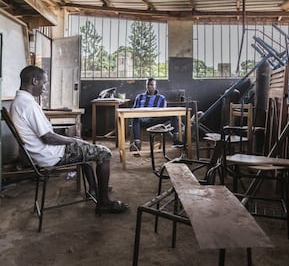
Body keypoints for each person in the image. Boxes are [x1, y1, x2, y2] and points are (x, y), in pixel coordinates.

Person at [10, 65, 128, 214]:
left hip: (40, 153)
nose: (45, 88)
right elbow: (48, 137)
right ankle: (104, 202)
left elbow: (45, 134)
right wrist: (73, 141)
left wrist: (73, 139)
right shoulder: (28, 105)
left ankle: (93, 189)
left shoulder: (18, 102)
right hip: (51, 155)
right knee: (104, 153)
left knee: (84, 149)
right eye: (44, 83)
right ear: (34, 81)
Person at [130, 78, 183, 151]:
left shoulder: (161, 98)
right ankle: (137, 144)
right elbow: (134, 110)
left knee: (173, 115)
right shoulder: (139, 97)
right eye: (148, 85)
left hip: (155, 120)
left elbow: (163, 112)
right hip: (142, 120)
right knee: (134, 117)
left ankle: (175, 139)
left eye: (151, 85)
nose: (149, 86)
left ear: (155, 86)